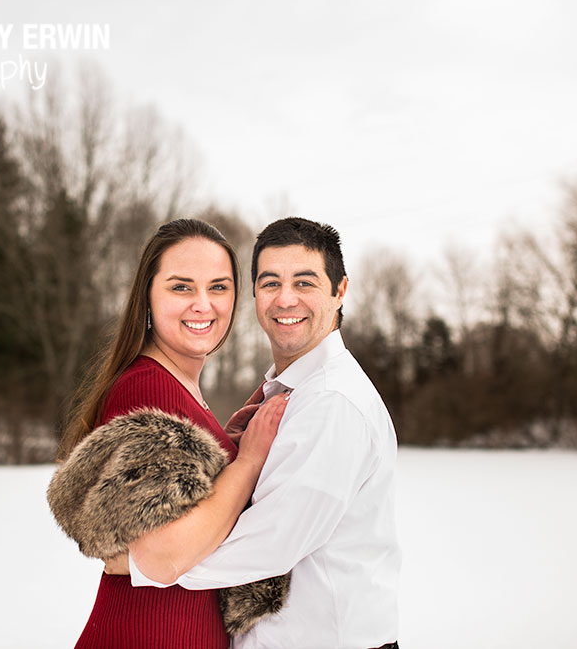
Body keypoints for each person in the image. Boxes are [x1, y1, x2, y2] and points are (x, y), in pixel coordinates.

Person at [126, 217, 402, 649]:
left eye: (305, 282)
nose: (285, 298)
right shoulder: (290, 394)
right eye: (270, 282)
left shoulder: (333, 402)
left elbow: (273, 541)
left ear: (340, 291)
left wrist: (148, 560)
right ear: (254, 294)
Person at [49, 218, 289, 649]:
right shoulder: (147, 386)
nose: (203, 304)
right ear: (147, 297)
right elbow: (159, 557)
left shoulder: (179, 387)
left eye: (218, 287)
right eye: (181, 287)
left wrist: (224, 448)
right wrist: (248, 462)